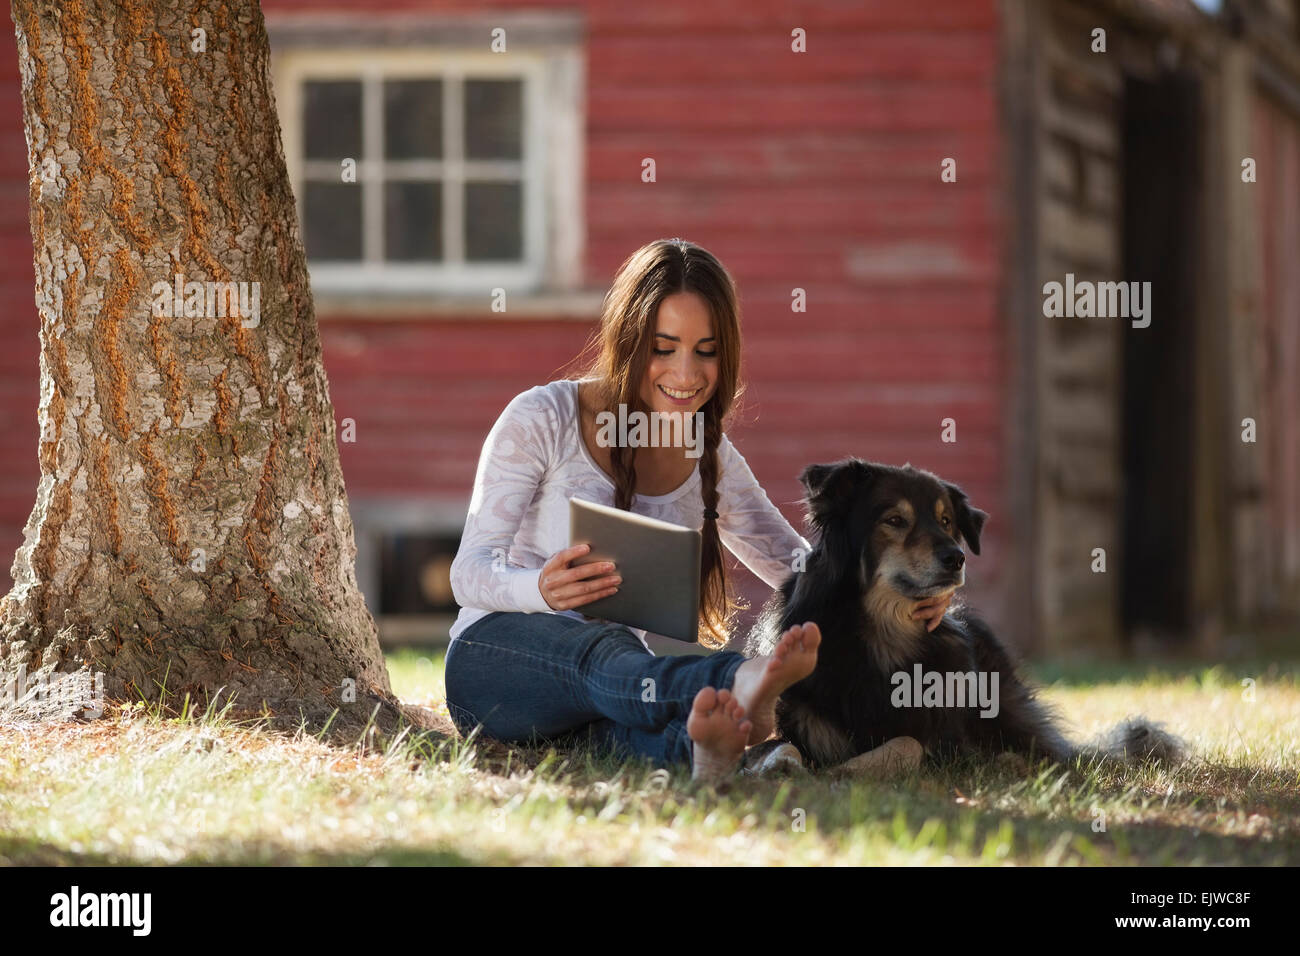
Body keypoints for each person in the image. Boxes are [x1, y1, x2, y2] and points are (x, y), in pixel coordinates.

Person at [444, 238, 950, 783]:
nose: (686, 375)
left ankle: (747, 760)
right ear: (628, 340)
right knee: (604, 656)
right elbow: (467, 574)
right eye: (664, 348)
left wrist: (906, 592)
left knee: (628, 730)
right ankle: (740, 679)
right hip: (494, 663)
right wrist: (538, 591)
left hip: (614, 695)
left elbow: (800, 568)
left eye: (705, 351)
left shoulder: (710, 458)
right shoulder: (542, 417)